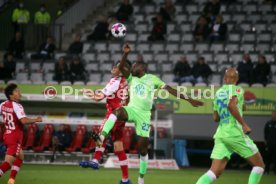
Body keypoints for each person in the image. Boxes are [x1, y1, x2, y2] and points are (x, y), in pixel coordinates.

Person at [92, 44, 203, 184]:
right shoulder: (132, 78)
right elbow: (120, 68)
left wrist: (190, 100)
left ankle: (141, 178)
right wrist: (125, 54)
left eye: (135, 65)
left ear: (142, 68)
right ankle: (102, 136)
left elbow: (171, 90)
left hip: (144, 115)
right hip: (132, 110)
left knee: (143, 149)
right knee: (117, 111)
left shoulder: (153, 79)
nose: (132, 67)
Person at [196, 68, 265, 184]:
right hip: (235, 132)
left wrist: (239, 106)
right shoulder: (237, 89)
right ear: (237, 79)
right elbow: (231, 105)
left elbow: (216, 118)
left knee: (213, 172)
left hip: (221, 134)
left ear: (224, 78)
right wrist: (244, 125)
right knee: (259, 165)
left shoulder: (218, 93)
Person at [79, 60, 132, 184]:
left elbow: (98, 98)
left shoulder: (114, 81)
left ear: (121, 70)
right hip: (123, 115)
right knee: (118, 146)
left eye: (117, 66)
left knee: (99, 134)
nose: (113, 67)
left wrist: (86, 93)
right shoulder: (127, 82)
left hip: (113, 114)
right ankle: (125, 179)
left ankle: (96, 161)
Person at [0, 83, 42, 184]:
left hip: (7, 135)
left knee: (20, 157)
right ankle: (11, 180)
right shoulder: (17, 106)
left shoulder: (2, 105)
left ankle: (11, 180)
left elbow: (1, 122)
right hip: (15, 137)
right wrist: (36, 119)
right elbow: (23, 121)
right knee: (8, 163)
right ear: (11, 95)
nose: (19, 93)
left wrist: (3, 129)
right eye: (16, 91)